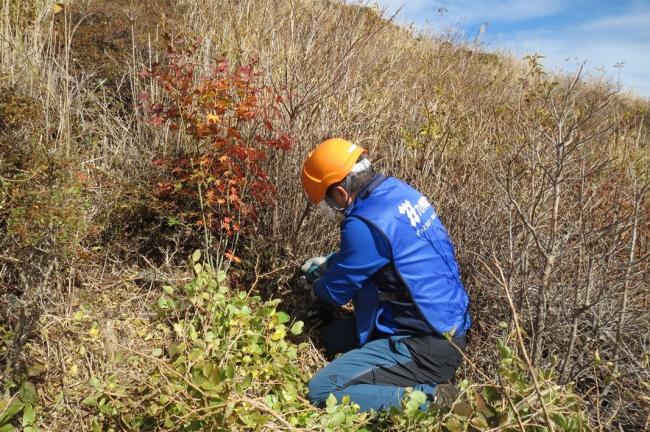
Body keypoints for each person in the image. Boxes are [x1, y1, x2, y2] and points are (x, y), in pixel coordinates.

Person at [299, 138, 471, 413]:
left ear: (341, 192)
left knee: (321, 390)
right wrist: (332, 262)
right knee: (333, 337)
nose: (332, 208)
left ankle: (438, 401)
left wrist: (316, 285)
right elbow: (382, 248)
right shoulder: (398, 191)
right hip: (448, 326)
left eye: (329, 200)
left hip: (425, 347)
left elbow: (334, 292)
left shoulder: (362, 225)